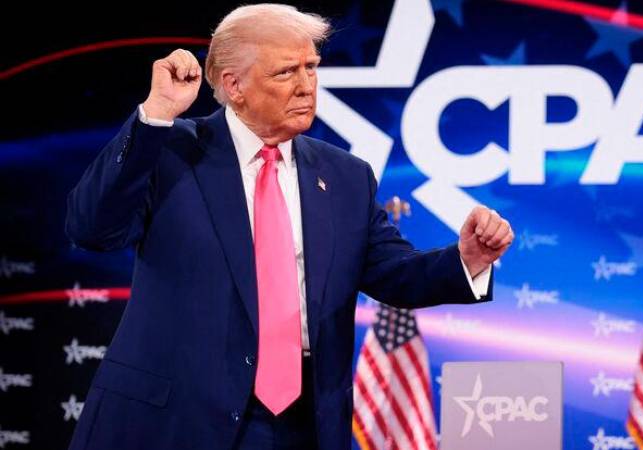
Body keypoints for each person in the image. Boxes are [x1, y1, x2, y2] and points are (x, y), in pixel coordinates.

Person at [65, 4, 512, 450]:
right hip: (178, 421)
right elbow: (91, 228)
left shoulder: (345, 176)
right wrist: (157, 112)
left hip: (302, 426)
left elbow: (394, 273)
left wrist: (466, 260)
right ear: (234, 85)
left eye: (311, 67)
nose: (306, 86)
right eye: (285, 73)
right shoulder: (171, 151)